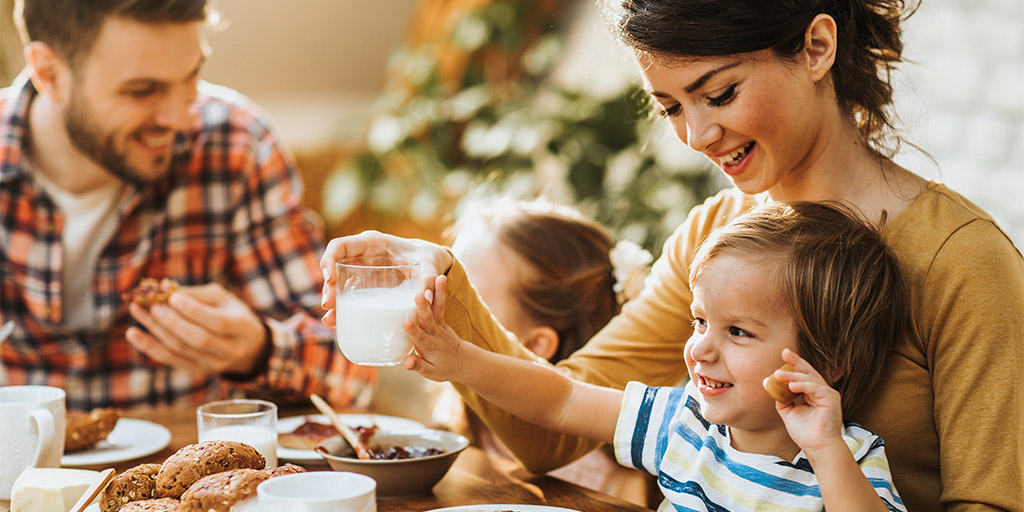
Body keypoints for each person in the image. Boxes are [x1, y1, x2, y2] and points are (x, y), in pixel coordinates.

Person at [320, 0, 1024, 509]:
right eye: (670, 107)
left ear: (816, 47)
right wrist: (442, 277)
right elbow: (554, 424)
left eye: (719, 94)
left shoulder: (963, 261)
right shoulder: (715, 237)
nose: (696, 135)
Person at [405, 201, 908, 511]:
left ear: (828, 361)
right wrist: (461, 361)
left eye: (738, 332)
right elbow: (560, 402)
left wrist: (825, 452)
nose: (701, 349)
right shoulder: (683, 421)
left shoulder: (849, 459)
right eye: (699, 322)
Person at [0, 0, 374, 410]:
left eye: (191, 76)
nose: (182, 119)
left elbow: (353, 368)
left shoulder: (236, 145)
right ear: (49, 74)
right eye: (142, 91)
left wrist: (260, 349)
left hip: (188, 467)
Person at [445, 198, 657, 505]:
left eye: (466, 296)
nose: (445, 296)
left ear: (533, 346)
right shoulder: (462, 405)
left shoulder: (583, 473)